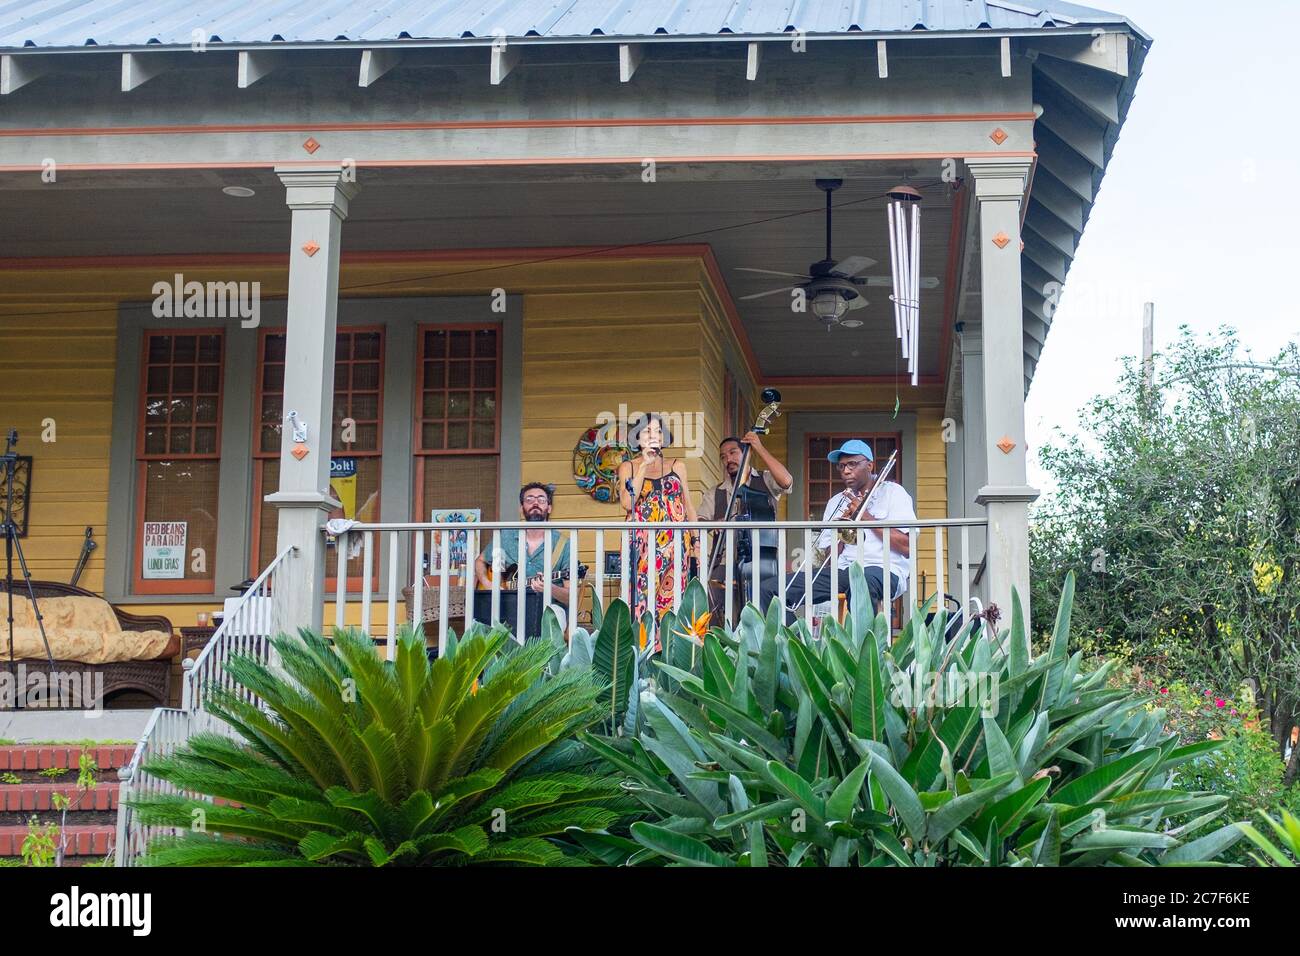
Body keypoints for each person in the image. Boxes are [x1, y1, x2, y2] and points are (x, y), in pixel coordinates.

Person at [773, 439, 915, 621]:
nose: (846, 471)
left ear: (869, 465)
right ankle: (797, 644)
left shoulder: (893, 493)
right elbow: (830, 561)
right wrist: (842, 530)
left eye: (852, 464)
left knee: (861, 580)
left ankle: (861, 648)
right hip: (843, 571)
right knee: (771, 590)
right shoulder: (836, 502)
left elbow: (907, 547)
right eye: (841, 466)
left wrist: (864, 515)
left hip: (884, 570)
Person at [698, 432, 793, 620]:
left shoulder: (765, 479)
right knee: (714, 608)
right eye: (723, 457)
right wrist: (713, 524)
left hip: (762, 561)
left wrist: (758, 447)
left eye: (733, 453)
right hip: (724, 560)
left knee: (764, 611)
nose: (728, 460)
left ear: (746, 454)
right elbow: (699, 523)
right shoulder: (715, 492)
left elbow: (787, 481)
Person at [617, 413, 697, 623]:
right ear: (637, 438)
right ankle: (643, 648)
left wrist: (697, 540)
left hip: (676, 542)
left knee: (673, 597)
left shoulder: (677, 465)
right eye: (648, 431)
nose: (654, 436)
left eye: (658, 432)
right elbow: (627, 503)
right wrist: (644, 465)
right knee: (641, 597)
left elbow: (688, 504)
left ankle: (669, 648)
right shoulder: (629, 467)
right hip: (641, 544)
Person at [473, 483, 572, 636]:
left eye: (541, 499)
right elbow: (480, 562)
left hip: (548, 607)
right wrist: (488, 583)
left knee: (552, 620)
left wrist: (549, 588)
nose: (535, 503)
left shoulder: (563, 545)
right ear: (521, 508)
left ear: (549, 508)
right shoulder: (505, 538)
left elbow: (569, 596)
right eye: (529, 499)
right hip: (507, 605)